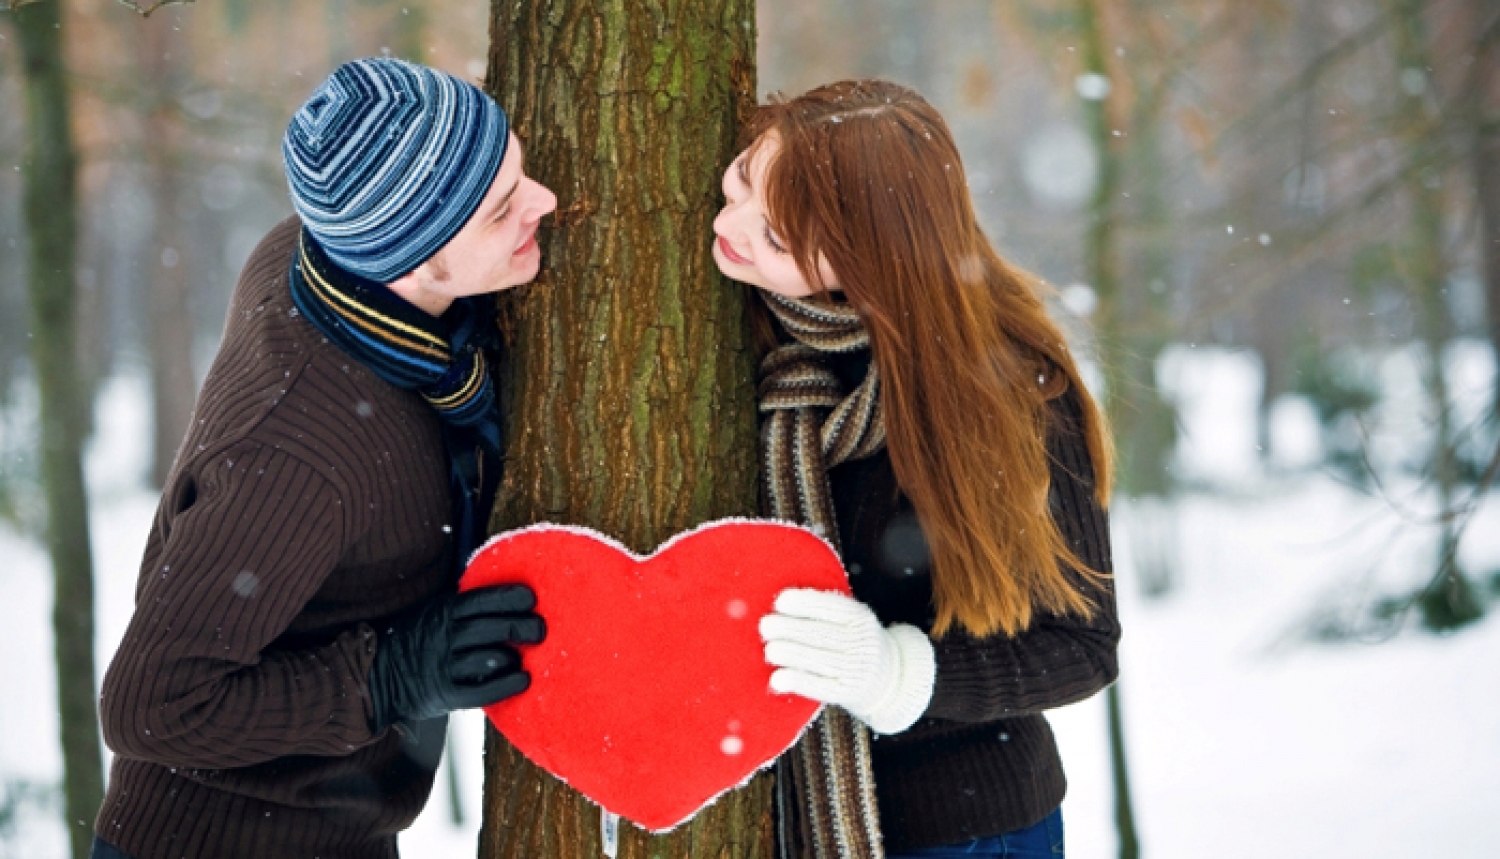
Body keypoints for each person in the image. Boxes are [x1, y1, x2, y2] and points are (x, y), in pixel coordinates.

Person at [91, 58, 557, 859]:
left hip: (339, 829)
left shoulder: (316, 258)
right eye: (502, 210)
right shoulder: (302, 455)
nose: (545, 203)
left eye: (521, 172)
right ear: (413, 258)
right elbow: (147, 705)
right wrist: (392, 676)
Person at [712, 80, 1120, 858]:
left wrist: (897, 672)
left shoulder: (1012, 397)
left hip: (962, 826)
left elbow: (1083, 645)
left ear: (867, 263)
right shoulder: (753, 328)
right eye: (740, 177)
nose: (730, 225)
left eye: (776, 235)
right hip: (767, 814)